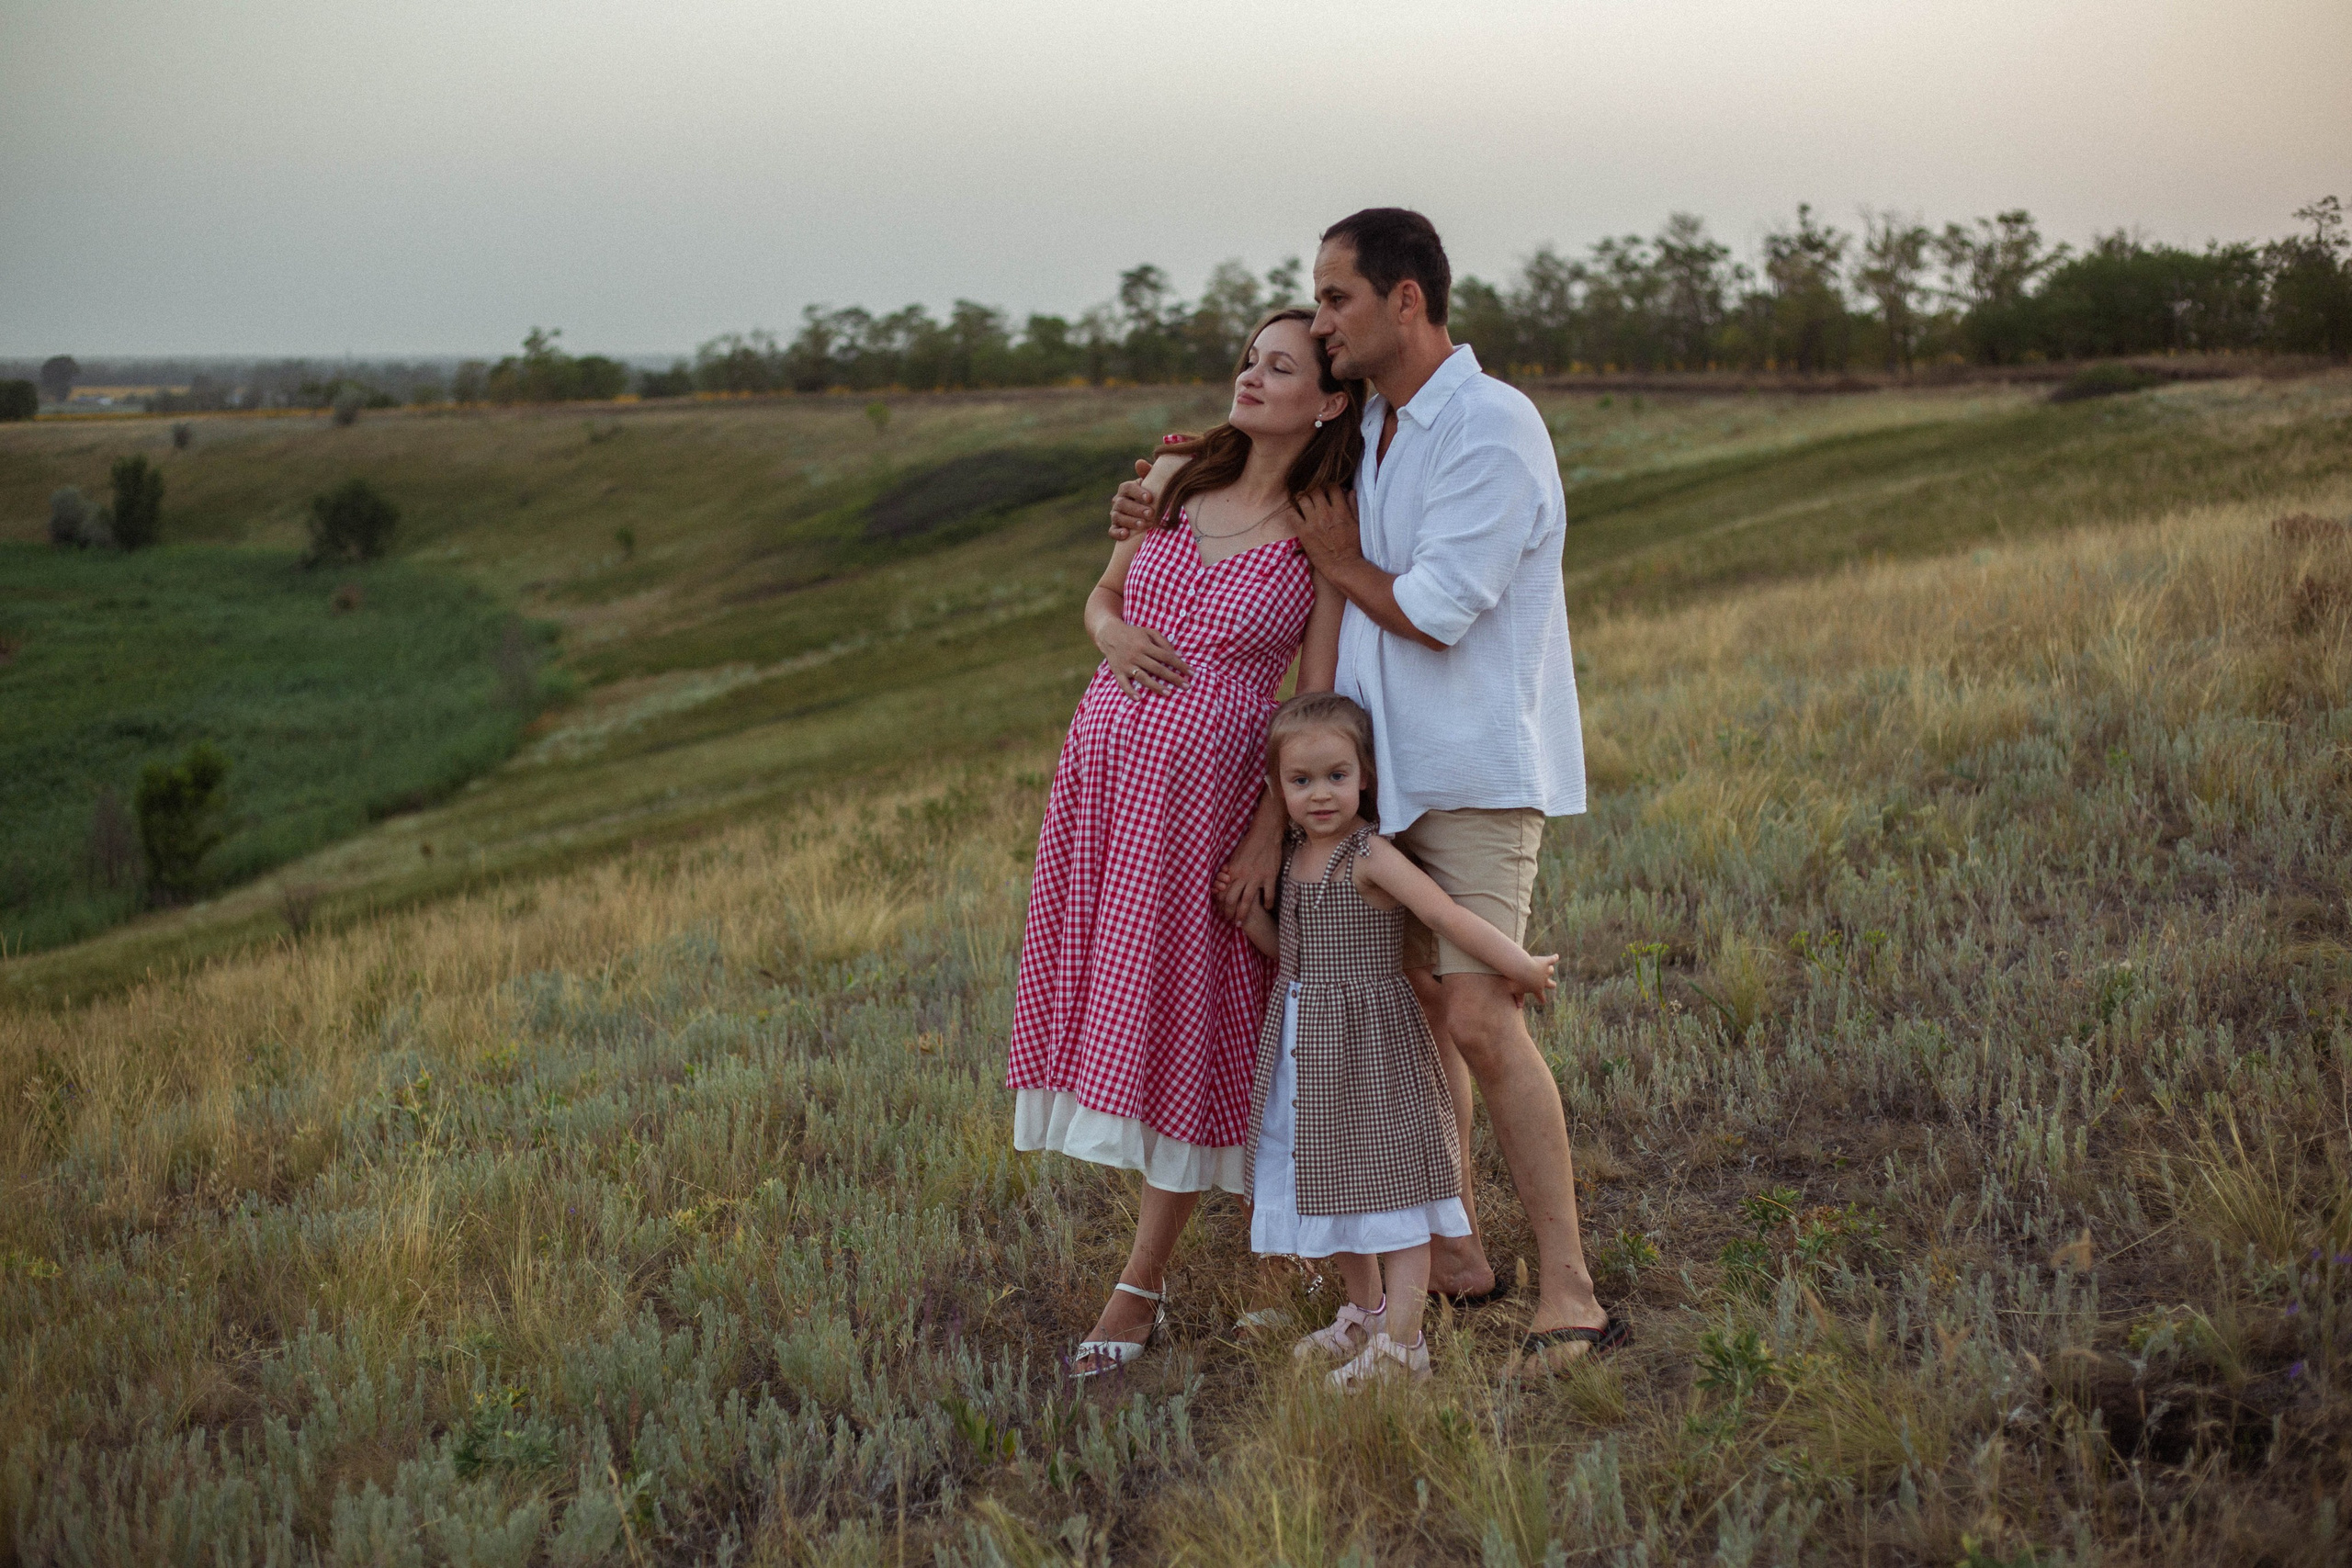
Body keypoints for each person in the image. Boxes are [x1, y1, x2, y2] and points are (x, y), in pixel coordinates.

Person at [1113, 209, 1624, 1371]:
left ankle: (1572, 1293)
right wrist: (1150, 494)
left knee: (1484, 1015)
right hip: (1383, 778)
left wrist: (1344, 564)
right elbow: (1253, 481)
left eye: (1335, 297)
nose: (1321, 318)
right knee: (1420, 1023)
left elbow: (1438, 608)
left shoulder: (1493, 429)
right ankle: (1454, 1259)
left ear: (1406, 301)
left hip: (1478, 769)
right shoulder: (1377, 427)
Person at [1007, 308, 1361, 1376]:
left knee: (1196, 1026)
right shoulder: (1169, 483)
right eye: (1249, 361)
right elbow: (1102, 599)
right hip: (1105, 788)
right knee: (1121, 1010)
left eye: (1281, 367)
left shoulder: (1319, 527)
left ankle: (1140, 1284)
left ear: (1328, 400)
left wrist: (1266, 838)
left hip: (1210, 807)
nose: (1251, 379)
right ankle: (1272, 1251)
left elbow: (1313, 699)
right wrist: (1111, 632)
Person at [1233, 694, 1558, 1387]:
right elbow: (1293, 952)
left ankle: (1406, 1344)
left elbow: (1444, 914)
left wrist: (1516, 963)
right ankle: (1367, 1309)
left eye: (1337, 775)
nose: (1321, 793)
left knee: (1391, 1184)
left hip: (1372, 1042)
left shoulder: (1370, 856)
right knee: (1332, 1179)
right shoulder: (1292, 859)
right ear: (1277, 787)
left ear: (1366, 777)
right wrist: (1245, 918)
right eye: (1301, 780)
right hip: (1306, 1046)